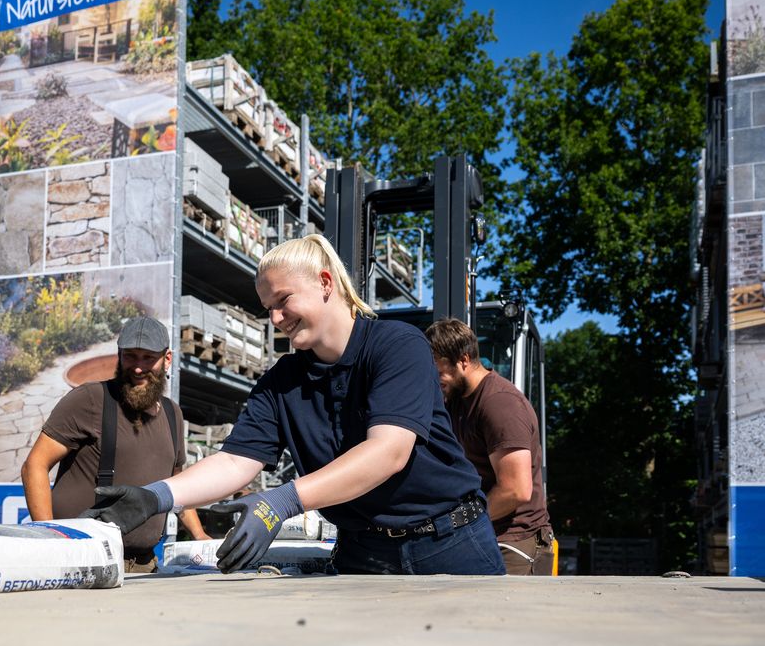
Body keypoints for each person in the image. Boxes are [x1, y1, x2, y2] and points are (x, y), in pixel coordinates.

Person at [83, 235, 505, 576]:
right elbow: (235, 463)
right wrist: (155, 497)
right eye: (268, 308)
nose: (276, 318)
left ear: (325, 283)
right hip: (363, 554)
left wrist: (282, 501)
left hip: (450, 543)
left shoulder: (397, 346)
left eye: (283, 300)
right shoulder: (282, 381)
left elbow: (388, 452)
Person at [21, 315, 209, 573]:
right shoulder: (90, 399)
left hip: (144, 565)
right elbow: (35, 465)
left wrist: (200, 537)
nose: (138, 367)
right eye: (130, 356)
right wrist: (51, 540)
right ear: (119, 355)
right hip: (84, 561)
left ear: (167, 359)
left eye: (148, 357)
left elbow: (178, 485)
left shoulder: (171, 413)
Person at [424, 318, 555, 575]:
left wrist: (457, 525)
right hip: (487, 533)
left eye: (439, 373)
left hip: (517, 542)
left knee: (504, 615)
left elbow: (515, 489)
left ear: (463, 360)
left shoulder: (500, 403)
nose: (436, 381)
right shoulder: (457, 401)